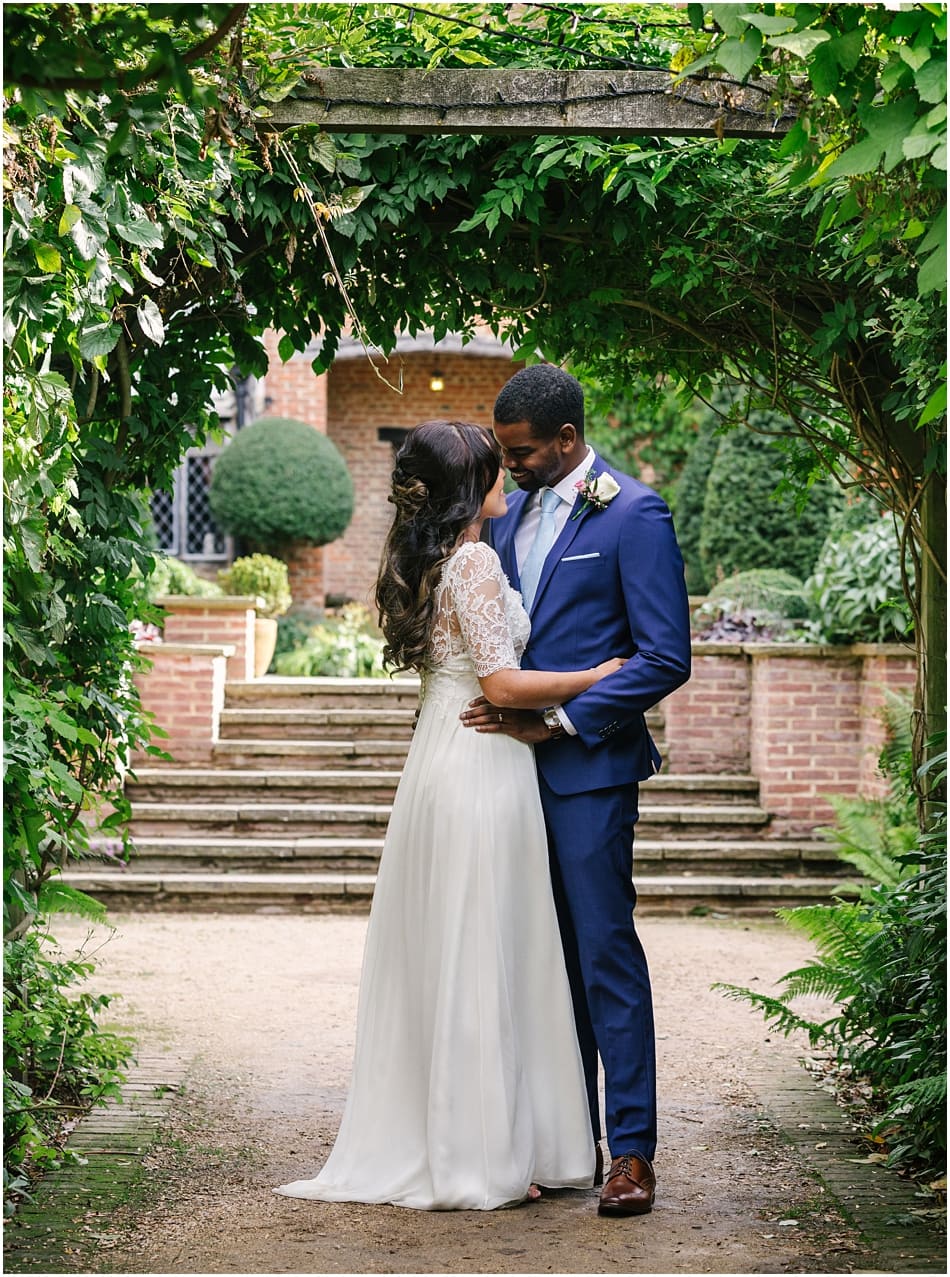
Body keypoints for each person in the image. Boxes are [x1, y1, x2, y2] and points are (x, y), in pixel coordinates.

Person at [275, 419, 628, 1211]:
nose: (509, 479)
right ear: (472, 486)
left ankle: (476, 1138)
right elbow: (500, 685)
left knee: (461, 944)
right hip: (481, 760)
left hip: (441, 755)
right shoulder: (472, 559)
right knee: (484, 945)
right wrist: (596, 674)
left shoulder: (440, 558)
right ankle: (481, 1152)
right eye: (497, 470)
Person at [460, 364, 692, 1218]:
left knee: (603, 955)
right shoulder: (507, 516)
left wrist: (557, 723)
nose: (508, 466)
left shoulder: (633, 514)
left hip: (587, 774)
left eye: (521, 453)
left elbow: (665, 655)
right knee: (531, 961)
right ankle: (561, 1141)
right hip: (500, 780)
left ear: (567, 439)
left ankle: (630, 1152)